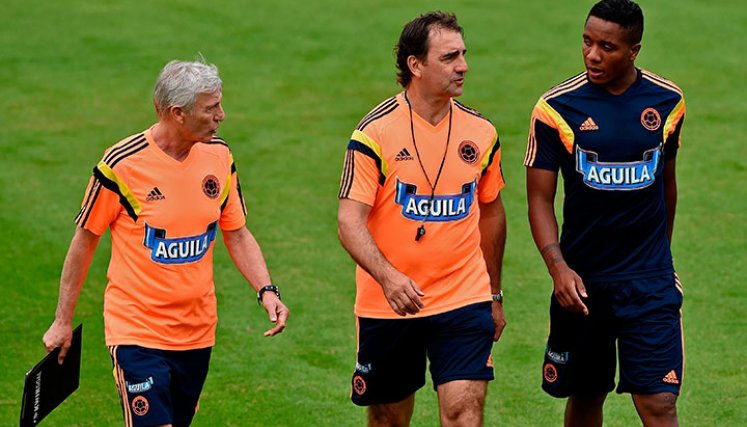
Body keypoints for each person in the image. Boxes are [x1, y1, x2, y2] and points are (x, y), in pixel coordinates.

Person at [42, 59, 290, 427]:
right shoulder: (121, 165)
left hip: (197, 331)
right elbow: (85, 241)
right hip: (136, 330)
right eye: (211, 108)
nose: (222, 115)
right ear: (178, 113)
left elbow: (236, 231)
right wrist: (63, 321)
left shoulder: (218, 155)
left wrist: (266, 290)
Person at [338, 11, 507, 427]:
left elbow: (491, 211)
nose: (463, 66)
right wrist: (389, 277)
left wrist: (494, 293)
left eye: (464, 55)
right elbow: (348, 221)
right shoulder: (373, 134)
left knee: (464, 411)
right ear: (416, 65)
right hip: (389, 303)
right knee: (388, 418)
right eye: (450, 57)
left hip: (463, 296)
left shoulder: (481, 132)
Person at [525, 0, 686, 425]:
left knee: (659, 403)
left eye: (607, 47)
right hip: (583, 286)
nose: (593, 55)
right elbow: (539, 198)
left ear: (634, 50)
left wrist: (659, 260)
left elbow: (666, 184)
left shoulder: (667, 102)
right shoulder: (557, 109)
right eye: (587, 42)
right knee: (586, 395)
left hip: (648, 284)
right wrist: (558, 267)